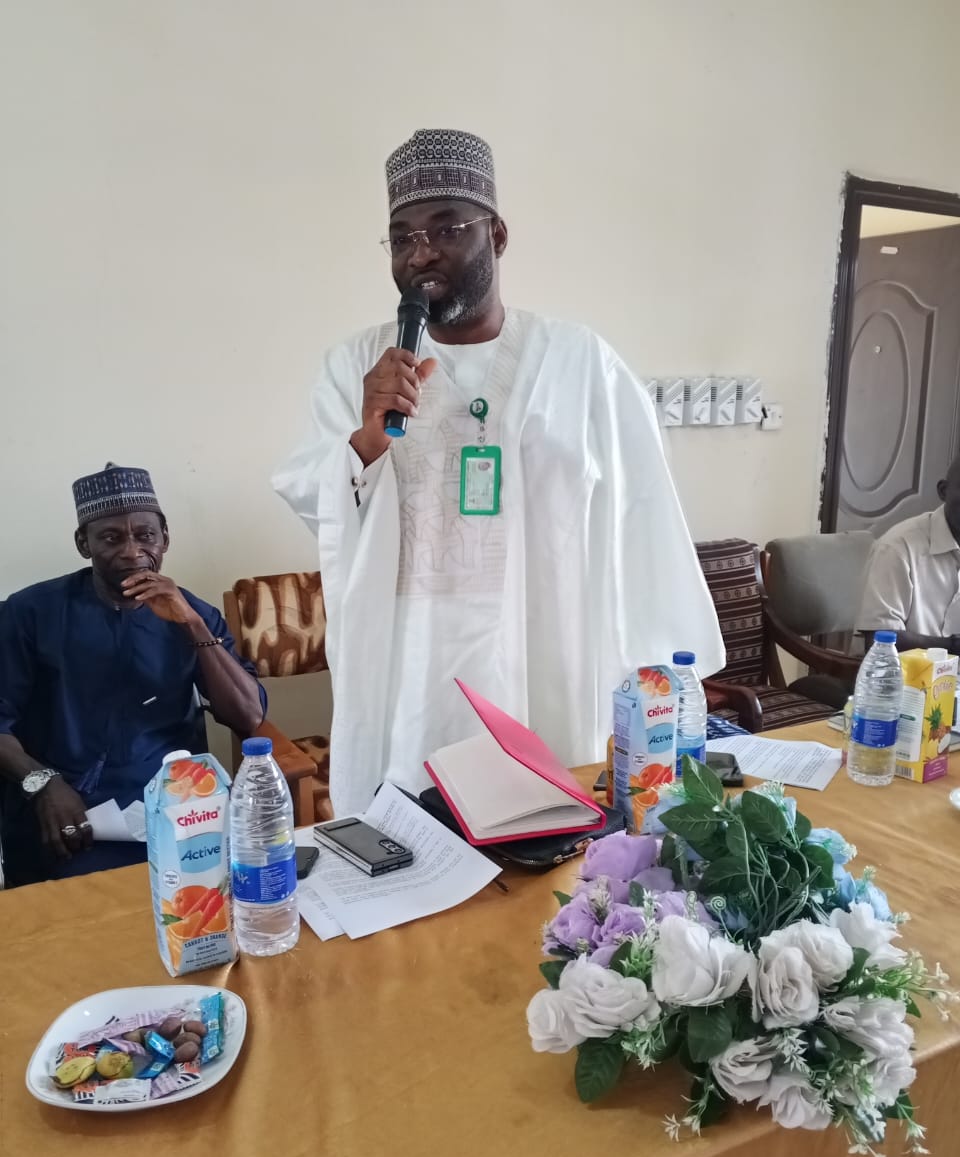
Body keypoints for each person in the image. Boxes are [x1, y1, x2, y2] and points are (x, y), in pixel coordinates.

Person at [273, 128, 723, 815]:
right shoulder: (354, 366)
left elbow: (644, 515)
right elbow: (315, 495)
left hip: (544, 669)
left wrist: (663, 672)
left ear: (498, 235)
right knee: (414, 850)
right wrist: (366, 439)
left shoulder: (580, 362)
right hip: (410, 681)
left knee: (549, 851)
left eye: (445, 228)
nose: (421, 251)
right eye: (402, 236)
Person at [0, 463, 266, 886]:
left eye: (145, 535)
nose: (132, 551)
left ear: (165, 539)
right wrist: (43, 783)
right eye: (111, 538)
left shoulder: (194, 613)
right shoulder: (29, 613)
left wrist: (193, 627)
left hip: (173, 805)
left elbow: (247, 715)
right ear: (83, 544)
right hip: (67, 807)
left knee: (243, 881)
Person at [857, 455, 960, 655]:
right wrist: (952, 647)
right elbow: (880, 641)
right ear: (943, 491)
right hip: (900, 672)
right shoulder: (897, 548)